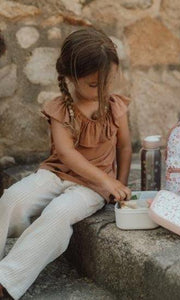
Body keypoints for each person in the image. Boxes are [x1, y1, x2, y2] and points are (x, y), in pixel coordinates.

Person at [0, 28, 132, 299]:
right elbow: (67, 153)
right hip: (57, 173)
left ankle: (7, 280)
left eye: (109, 82)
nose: (103, 91)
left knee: (58, 214)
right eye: (94, 85)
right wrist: (110, 180)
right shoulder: (61, 109)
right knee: (12, 199)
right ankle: (19, 242)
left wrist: (118, 184)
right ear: (71, 78)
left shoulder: (115, 106)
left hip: (93, 187)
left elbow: (125, 146)